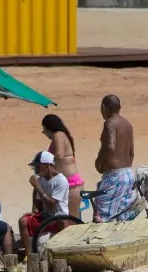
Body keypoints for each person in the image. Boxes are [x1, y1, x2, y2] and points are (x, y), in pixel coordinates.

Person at [92, 95, 138, 223]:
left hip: (114, 176)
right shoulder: (128, 124)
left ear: (104, 107)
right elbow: (131, 152)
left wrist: (99, 163)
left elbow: (110, 147)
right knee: (121, 220)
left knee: (101, 218)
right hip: (128, 174)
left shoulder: (110, 123)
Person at [17, 151, 70, 258]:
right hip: (45, 217)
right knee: (23, 221)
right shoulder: (41, 180)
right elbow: (39, 201)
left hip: (58, 217)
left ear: (47, 165)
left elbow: (52, 204)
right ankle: (29, 255)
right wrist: (34, 209)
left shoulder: (61, 180)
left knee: (62, 221)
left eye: (38, 166)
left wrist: (37, 187)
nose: (36, 169)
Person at [42, 114, 83, 221]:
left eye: (44, 130)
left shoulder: (58, 135)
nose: (45, 134)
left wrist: (47, 168)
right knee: (66, 221)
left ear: (48, 128)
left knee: (71, 221)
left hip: (70, 184)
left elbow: (59, 156)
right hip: (69, 183)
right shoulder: (62, 135)